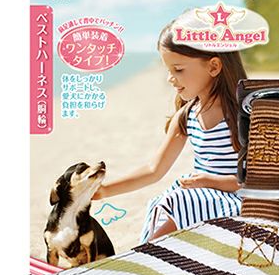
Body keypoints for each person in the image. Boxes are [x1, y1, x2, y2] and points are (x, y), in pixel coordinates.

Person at [92, 13, 248, 242]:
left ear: (214, 66)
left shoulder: (243, 115)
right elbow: (153, 170)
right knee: (162, 204)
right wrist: (105, 190)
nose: (170, 79)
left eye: (178, 69)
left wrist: (209, 182)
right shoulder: (187, 116)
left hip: (238, 203)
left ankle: (147, 254)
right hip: (201, 199)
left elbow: (258, 178)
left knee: (180, 201)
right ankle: (152, 252)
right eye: (168, 70)